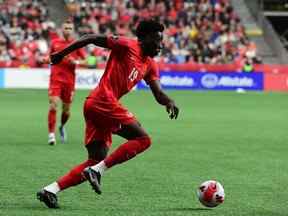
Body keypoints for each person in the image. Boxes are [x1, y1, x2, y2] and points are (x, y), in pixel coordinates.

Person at [37, 19, 179, 208]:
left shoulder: (150, 65)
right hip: (103, 101)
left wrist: (168, 101)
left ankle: (50, 190)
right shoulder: (127, 45)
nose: (161, 45)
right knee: (144, 140)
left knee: (95, 160)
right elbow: (90, 37)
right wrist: (60, 55)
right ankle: (97, 171)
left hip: (96, 105)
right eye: (157, 40)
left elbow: (158, 93)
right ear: (144, 38)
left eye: (162, 41)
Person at [45, 19, 86, 145]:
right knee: (53, 104)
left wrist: (76, 62)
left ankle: (62, 126)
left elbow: (86, 60)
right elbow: (48, 57)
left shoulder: (76, 44)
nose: (67, 30)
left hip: (69, 81)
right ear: (61, 29)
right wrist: (46, 59)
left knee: (66, 110)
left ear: (72, 30)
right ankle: (51, 135)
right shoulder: (55, 43)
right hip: (55, 79)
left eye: (70, 28)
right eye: (65, 28)